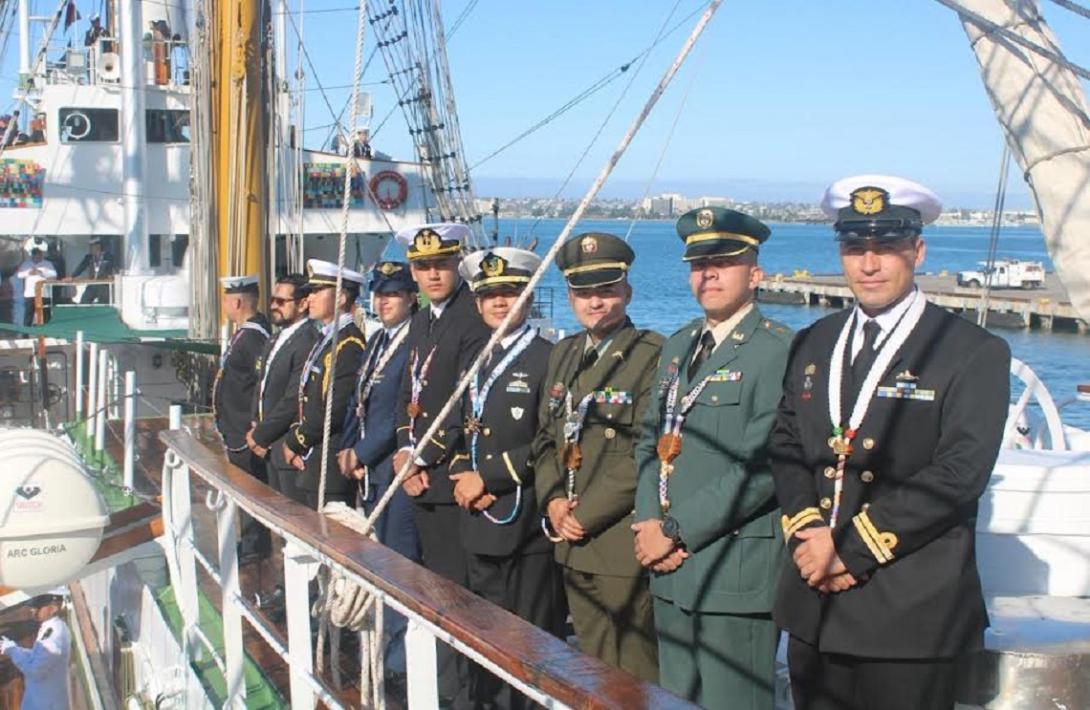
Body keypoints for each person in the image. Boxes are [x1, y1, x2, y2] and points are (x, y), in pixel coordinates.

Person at [770, 175, 1011, 710]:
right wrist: (807, 529)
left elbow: (960, 472)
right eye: (855, 247)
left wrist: (848, 550)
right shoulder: (816, 342)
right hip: (815, 606)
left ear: (918, 251)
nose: (869, 264)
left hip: (909, 615)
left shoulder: (971, 351)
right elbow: (786, 442)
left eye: (886, 247)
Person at [632, 207, 791, 709]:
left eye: (723, 262)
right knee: (675, 699)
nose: (708, 274)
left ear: (756, 273)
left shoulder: (777, 350)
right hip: (668, 569)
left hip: (733, 573)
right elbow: (649, 441)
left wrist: (674, 531)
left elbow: (762, 467)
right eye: (699, 264)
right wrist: (647, 524)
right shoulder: (679, 345)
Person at [531, 232, 663, 682]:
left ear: (627, 290)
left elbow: (646, 447)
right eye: (584, 293)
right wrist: (551, 500)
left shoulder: (653, 355)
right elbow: (546, 438)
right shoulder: (564, 353)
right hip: (568, 539)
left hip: (616, 543)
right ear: (570, 296)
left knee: (631, 674)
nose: (596, 302)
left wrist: (585, 513)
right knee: (590, 666)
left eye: (607, 290)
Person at [447, 247, 567, 709]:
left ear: (529, 297)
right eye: (491, 295)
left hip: (522, 525)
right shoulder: (475, 358)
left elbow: (550, 438)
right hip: (475, 521)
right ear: (477, 303)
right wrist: (461, 472)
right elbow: (462, 425)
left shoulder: (548, 358)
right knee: (487, 637)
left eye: (511, 293)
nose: (501, 303)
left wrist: (488, 478)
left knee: (529, 643)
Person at [391, 223, 490, 702]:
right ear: (413, 271)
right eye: (424, 266)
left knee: (457, 599)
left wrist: (422, 456)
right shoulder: (422, 320)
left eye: (442, 264)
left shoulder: (472, 318)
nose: (433, 274)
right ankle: (447, 691)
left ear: (458, 264)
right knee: (434, 592)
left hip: (445, 477)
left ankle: (462, 696)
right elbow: (404, 393)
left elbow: (466, 400)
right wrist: (401, 448)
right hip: (416, 474)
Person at [337, 261, 419, 680]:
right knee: (380, 558)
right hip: (368, 471)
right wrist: (347, 450)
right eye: (379, 294)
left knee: (400, 560)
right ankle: (384, 641)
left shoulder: (413, 344)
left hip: (390, 470)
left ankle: (400, 660)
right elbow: (360, 401)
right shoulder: (377, 342)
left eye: (393, 294)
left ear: (411, 298)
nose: (383, 301)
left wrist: (363, 453)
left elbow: (397, 413)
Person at [281, 260, 367, 509]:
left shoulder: (348, 344)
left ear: (340, 298)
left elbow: (334, 407)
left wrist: (296, 441)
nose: (310, 298)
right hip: (314, 461)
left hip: (329, 464)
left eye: (317, 291)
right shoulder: (328, 339)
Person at [214, 275, 271, 564]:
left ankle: (254, 545)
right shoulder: (244, 334)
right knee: (244, 487)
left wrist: (255, 425)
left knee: (251, 488)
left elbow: (262, 383)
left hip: (244, 432)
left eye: (226, 299)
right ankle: (249, 540)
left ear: (236, 302)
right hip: (235, 430)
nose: (224, 304)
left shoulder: (253, 338)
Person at [0, 589, 72, 709]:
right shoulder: (49, 628)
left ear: (53, 608)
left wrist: (12, 651)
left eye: (38, 606)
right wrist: (14, 648)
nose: (32, 610)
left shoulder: (53, 637)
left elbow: (35, 670)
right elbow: (37, 656)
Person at [16, 247, 57, 326]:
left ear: (42, 255)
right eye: (36, 256)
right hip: (30, 293)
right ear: (33, 256)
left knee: (45, 313)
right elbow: (19, 275)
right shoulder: (26, 264)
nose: (38, 258)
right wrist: (28, 273)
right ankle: (25, 333)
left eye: (39, 256)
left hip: (44, 293)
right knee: (29, 313)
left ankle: (46, 331)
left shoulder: (47, 264)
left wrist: (41, 273)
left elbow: (54, 275)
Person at [69, 238, 115, 304]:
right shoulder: (89, 257)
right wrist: (72, 276)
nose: (90, 249)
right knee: (84, 301)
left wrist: (111, 275)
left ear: (98, 247)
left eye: (92, 246)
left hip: (103, 284)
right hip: (92, 284)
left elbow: (113, 267)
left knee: (104, 302)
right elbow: (81, 267)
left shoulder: (108, 257)